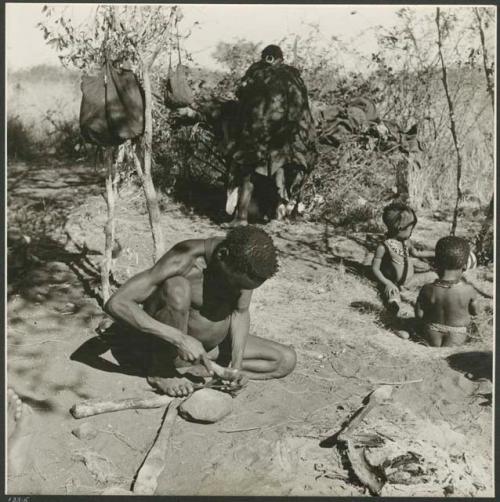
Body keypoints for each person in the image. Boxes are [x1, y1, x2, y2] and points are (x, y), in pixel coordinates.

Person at [104, 226, 296, 397]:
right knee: (177, 288)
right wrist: (180, 339)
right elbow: (117, 303)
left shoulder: (244, 263)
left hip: (209, 351)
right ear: (222, 256)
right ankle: (161, 371)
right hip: (171, 345)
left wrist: (236, 366)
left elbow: (240, 313)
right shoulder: (185, 259)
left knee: (285, 360)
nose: (240, 290)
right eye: (237, 284)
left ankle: (203, 369)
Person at [415, 236, 479, 347]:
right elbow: (475, 313)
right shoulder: (469, 290)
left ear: (436, 263)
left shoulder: (427, 289)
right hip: (457, 334)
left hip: (431, 332)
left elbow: (419, 314)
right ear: (464, 267)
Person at [371, 202, 433, 316]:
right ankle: (394, 308)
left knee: (433, 276)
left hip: (410, 281)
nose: (411, 232)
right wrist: (387, 283)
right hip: (393, 283)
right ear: (400, 228)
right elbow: (375, 268)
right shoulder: (384, 246)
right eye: (411, 229)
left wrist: (435, 253)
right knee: (391, 293)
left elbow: (417, 253)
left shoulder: (406, 242)